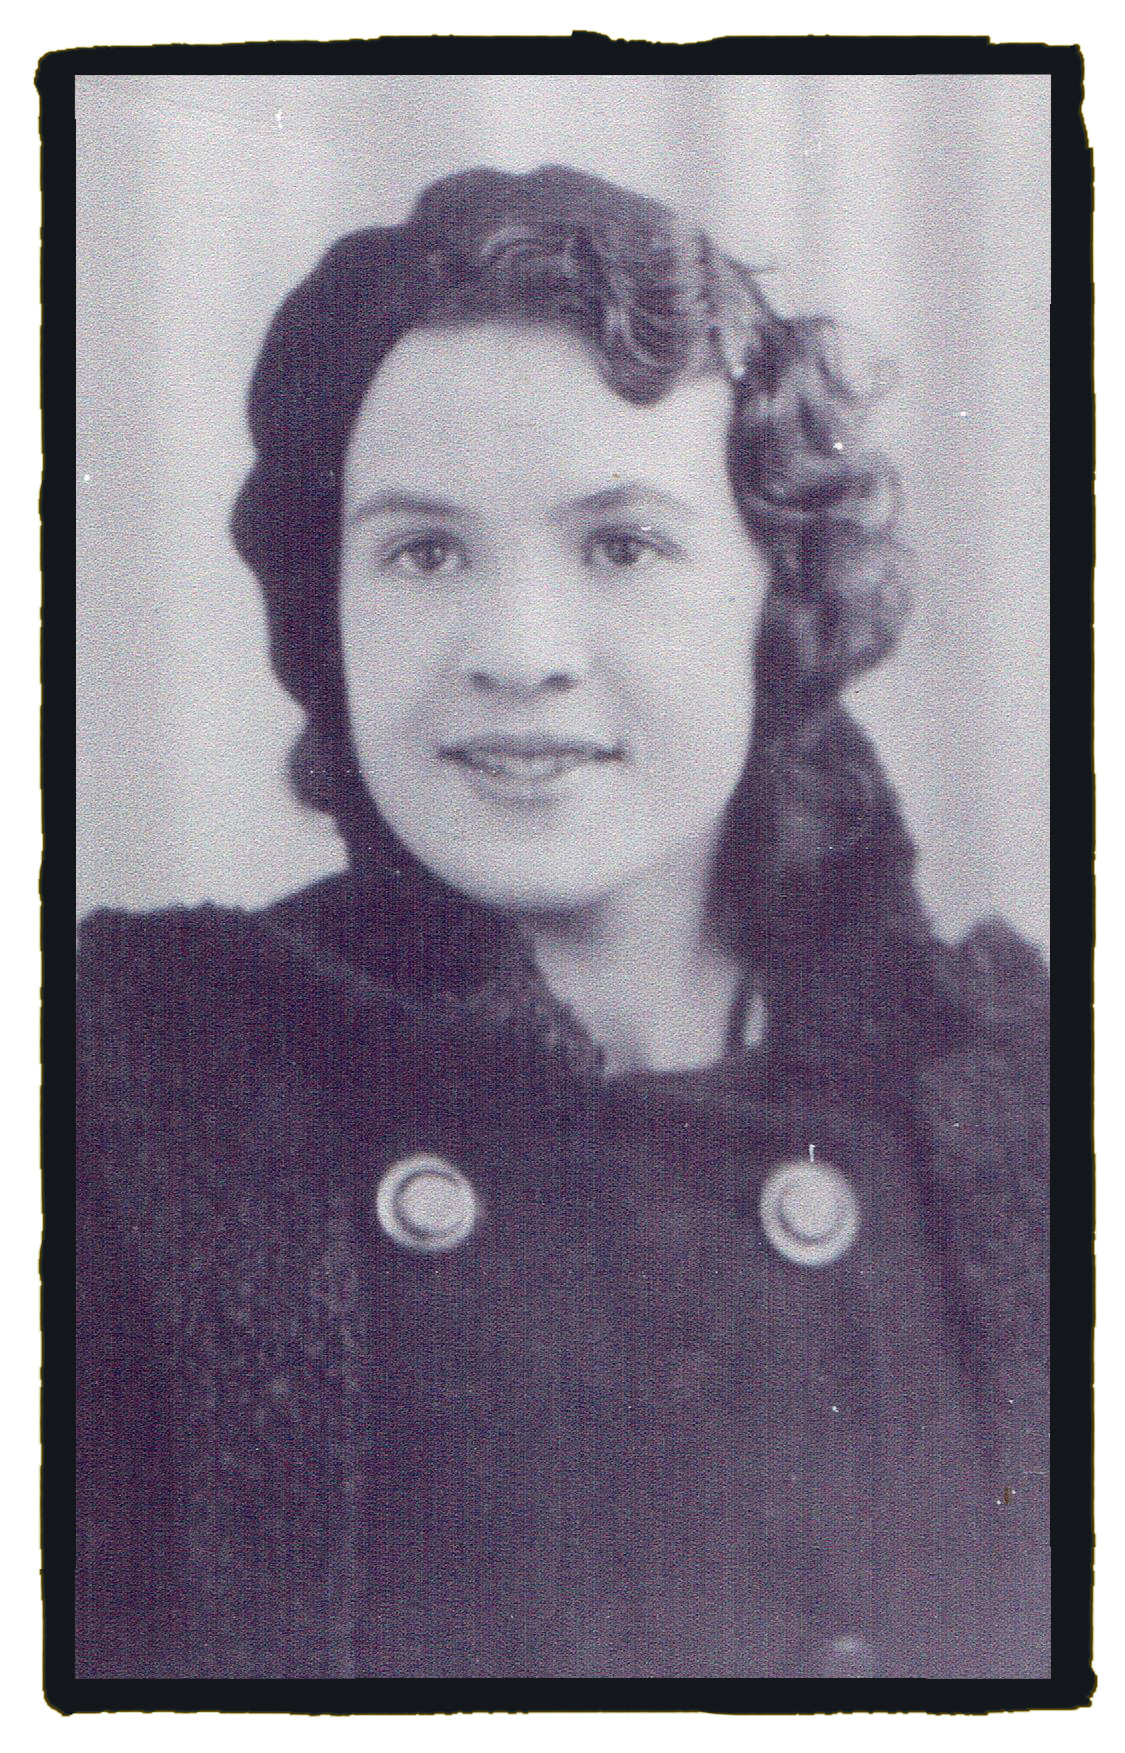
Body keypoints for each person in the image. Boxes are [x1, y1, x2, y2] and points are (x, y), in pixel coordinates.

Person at [75, 164, 1050, 1680]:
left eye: (619, 546)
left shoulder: (1019, 1090)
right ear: (326, 610)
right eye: (423, 550)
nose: (514, 653)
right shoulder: (127, 1094)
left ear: (773, 593)